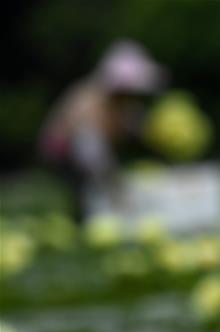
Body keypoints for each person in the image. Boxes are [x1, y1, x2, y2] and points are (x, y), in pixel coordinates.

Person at [39, 40, 166, 224]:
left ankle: (94, 218)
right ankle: (89, 223)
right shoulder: (90, 100)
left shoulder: (121, 104)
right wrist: (113, 185)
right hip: (65, 151)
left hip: (87, 150)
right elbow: (90, 149)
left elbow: (129, 124)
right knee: (87, 192)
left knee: (95, 188)